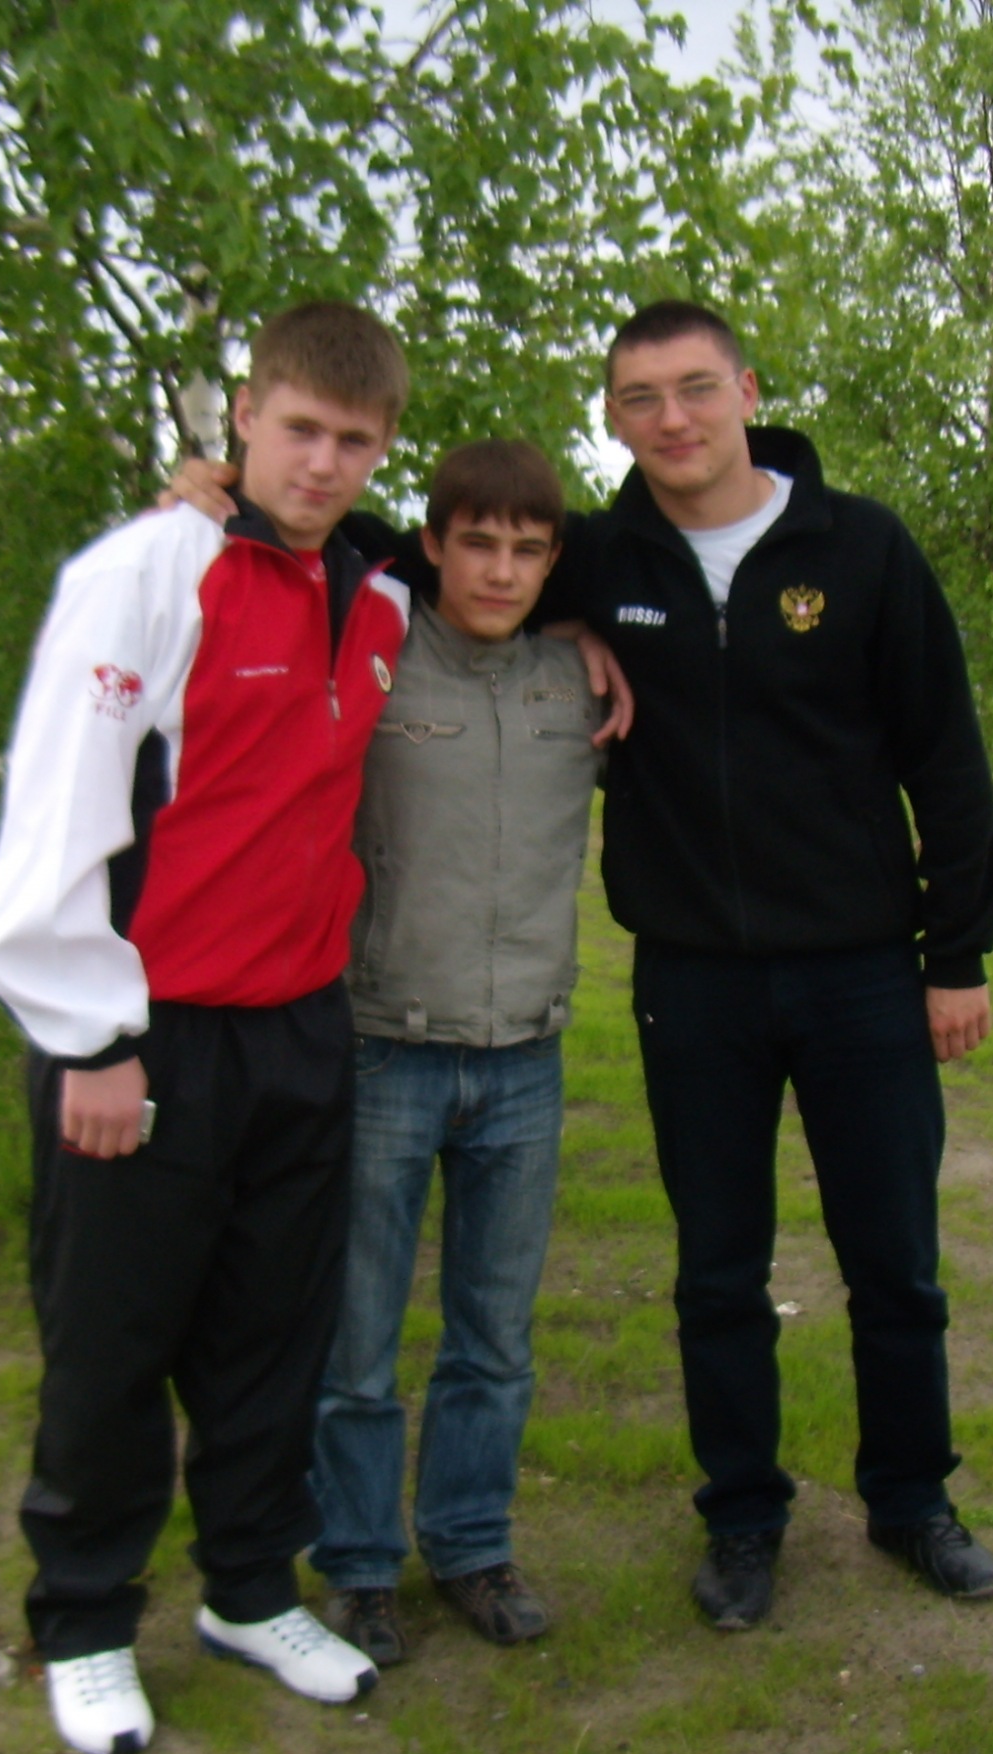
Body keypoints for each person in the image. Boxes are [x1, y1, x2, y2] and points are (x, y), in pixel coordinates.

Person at [0, 302, 412, 1754]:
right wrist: (88, 1038)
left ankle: (247, 1591)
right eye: (300, 430)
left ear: (382, 449)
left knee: (269, 1337)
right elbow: (62, 805)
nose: (323, 462)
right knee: (111, 1340)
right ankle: (86, 1621)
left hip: (299, 1029)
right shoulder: (148, 573)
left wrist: (595, 635)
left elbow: (523, 556)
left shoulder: (377, 591)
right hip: (145, 1035)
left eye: (355, 441)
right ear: (242, 416)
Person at [569, 300, 993, 1629]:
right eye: (640, 398)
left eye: (697, 387)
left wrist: (956, 954)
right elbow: (437, 552)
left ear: (749, 390)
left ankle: (911, 1501)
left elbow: (946, 759)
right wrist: (216, 493)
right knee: (719, 1271)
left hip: (862, 973)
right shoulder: (596, 558)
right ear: (612, 418)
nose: (674, 419)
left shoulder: (860, 548)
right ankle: (743, 1518)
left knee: (895, 1262)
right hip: (692, 981)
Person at [310, 440, 603, 1669]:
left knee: (494, 1339)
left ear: (554, 561)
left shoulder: (575, 677)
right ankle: (358, 1564)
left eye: (528, 550)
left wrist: (595, 630)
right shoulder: (370, 652)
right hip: (386, 1048)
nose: (500, 570)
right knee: (356, 1343)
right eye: (475, 543)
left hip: (524, 1058)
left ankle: (471, 1544)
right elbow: (311, 532)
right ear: (431, 545)